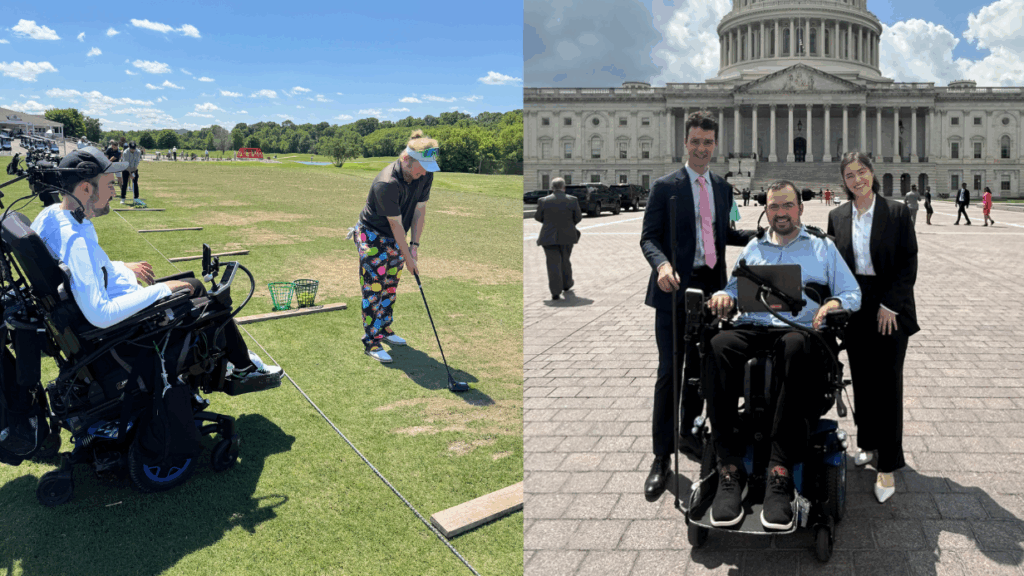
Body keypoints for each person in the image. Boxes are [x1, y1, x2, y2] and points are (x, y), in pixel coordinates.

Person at [2, 148, 282, 456]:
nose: (114, 190)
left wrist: (123, 267)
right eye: (109, 183)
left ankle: (237, 364)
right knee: (209, 300)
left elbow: (88, 271)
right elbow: (101, 314)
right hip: (118, 332)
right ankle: (242, 367)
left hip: (95, 322)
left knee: (192, 285)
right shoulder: (76, 240)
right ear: (85, 188)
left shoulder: (53, 215)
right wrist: (163, 291)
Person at [704, 180, 861, 530]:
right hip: (755, 325)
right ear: (766, 211)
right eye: (774, 207)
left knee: (795, 346)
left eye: (787, 206)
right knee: (717, 347)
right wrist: (724, 296)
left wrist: (835, 302)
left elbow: (851, 291)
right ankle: (729, 466)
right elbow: (733, 287)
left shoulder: (821, 247)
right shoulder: (753, 247)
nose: (780, 213)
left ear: (800, 208)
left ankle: (780, 467)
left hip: (800, 331)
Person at [639, 110, 756, 502]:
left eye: (708, 142)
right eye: (695, 142)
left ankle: (687, 429)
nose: (702, 148)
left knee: (702, 367)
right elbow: (649, 238)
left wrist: (768, 231)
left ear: (715, 145)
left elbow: (725, 234)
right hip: (674, 288)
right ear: (685, 143)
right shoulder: (665, 187)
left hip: (712, 290)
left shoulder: (722, 188)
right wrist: (662, 264)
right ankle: (661, 457)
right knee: (670, 372)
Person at [828, 151, 919, 503]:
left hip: (890, 307)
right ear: (844, 180)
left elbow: (908, 262)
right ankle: (866, 442)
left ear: (872, 173)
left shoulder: (895, 212)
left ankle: (888, 463)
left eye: (861, 172)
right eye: (850, 175)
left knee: (887, 384)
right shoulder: (838, 216)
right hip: (855, 305)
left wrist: (890, 305)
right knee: (862, 379)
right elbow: (836, 266)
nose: (857, 180)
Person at [350, 130, 438, 364]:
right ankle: (371, 340)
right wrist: (408, 258)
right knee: (374, 288)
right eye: (422, 166)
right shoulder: (386, 183)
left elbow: (419, 211)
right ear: (407, 160)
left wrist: (415, 245)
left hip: (397, 236)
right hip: (373, 235)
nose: (425, 172)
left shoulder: (425, 175)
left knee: (390, 286)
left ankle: (385, 329)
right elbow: (395, 224)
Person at [535, 177, 582, 301]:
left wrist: (549, 223)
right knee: (565, 260)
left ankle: (555, 292)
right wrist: (569, 225)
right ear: (564, 187)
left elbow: (538, 217)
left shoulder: (543, 200)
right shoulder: (572, 200)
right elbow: (578, 217)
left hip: (548, 236)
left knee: (552, 263)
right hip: (567, 235)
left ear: (552, 188)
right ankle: (567, 284)